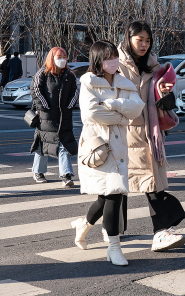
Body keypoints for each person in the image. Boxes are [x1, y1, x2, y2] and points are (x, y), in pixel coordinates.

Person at [71, 40, 144, 266]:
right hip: (99, 146)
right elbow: (91, 113)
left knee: (107, 195)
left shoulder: (124, 83)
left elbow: (137, 108)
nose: (113, 61)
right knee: (113, 193)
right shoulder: (88, 82)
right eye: (107, 57)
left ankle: (83, 225)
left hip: (119, 145)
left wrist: (114, 104)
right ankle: (114, 248)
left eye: (114, 56)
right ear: (97, 60)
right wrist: (122, 116)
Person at [118, 21, 185, 252]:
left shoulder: (154, 66)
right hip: (124, 133)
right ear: (128, 39)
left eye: (148, 40)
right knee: (119, 188)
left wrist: (165, 94)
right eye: (140, 39)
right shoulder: (116, 65)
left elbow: (163, 98)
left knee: (152, 184)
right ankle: (105, 226)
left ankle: (160, 232)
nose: (144, 45)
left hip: (150, 133)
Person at [30, 47, 79, 188]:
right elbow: (36, 90)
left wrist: (69, 106)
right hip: (46, 116)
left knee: (64, 144)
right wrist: (46, 107)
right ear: (52, 57)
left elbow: (75, 92)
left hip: (64, 116)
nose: (62, 59)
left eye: (64, 56)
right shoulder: (43, 73)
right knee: (43, 143)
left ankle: (66, 175)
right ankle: (38, 171)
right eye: (59, 56)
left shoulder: (70, 75)